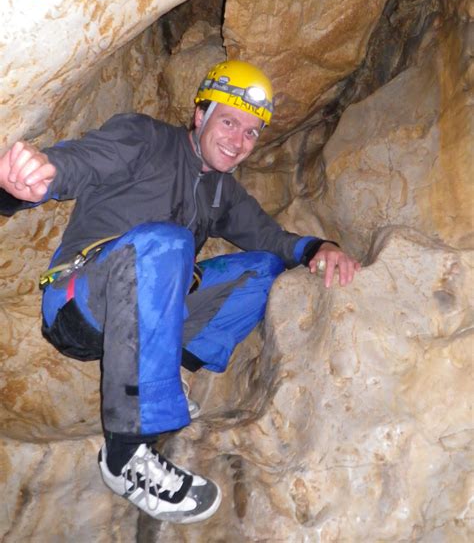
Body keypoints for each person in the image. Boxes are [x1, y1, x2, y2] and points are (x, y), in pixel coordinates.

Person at [0, 60, 360, 524]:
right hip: (79, 299)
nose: (238, 140)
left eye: (251, 133)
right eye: (229, 122)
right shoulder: (144, 137)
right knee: (169, 242)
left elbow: (269, 237)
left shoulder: (221, 190)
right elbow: (78, 162)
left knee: (264, 270)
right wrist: (28, 179)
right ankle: (126, 454)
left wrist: (317, 247)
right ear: (200, 115)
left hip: (154, 309)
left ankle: (170, 370)